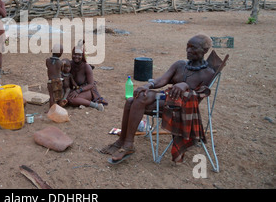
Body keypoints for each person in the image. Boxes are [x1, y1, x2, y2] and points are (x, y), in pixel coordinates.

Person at [100, 33, 215, 164]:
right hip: (166, 97)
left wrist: (186, 86)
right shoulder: (180, 65)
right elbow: (162, 80)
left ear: (205, 51)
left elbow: (199, 96)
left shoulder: (207, 73)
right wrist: (148, 85)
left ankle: (127, 144)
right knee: (134, 98)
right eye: (187, 47)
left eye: (193, 48)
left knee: (134, 101)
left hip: (179, 108)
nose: (188, 50)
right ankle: (124, 142)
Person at [67, 41, 107, 111]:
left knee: (71, 100)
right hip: (75, 89)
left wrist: (78, 91)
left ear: (82, 56)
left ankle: (96, 106)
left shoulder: (86, 66)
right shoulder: (69, 65)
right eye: (74, 54)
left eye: (79, 55)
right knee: (65, 99)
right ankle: (82, 102)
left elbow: (91, 84)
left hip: (86, 90)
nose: (76, 56)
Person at [46, 44, 64, 109]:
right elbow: (61, 70)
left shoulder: (47, 60)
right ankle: (59, 109)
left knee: (52, 96)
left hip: (50, 81)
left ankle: (51, 110)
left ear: (51, 50)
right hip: (58, 81)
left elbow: (48, 67)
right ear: (61, 54)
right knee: (59, 96)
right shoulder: (60, 62)